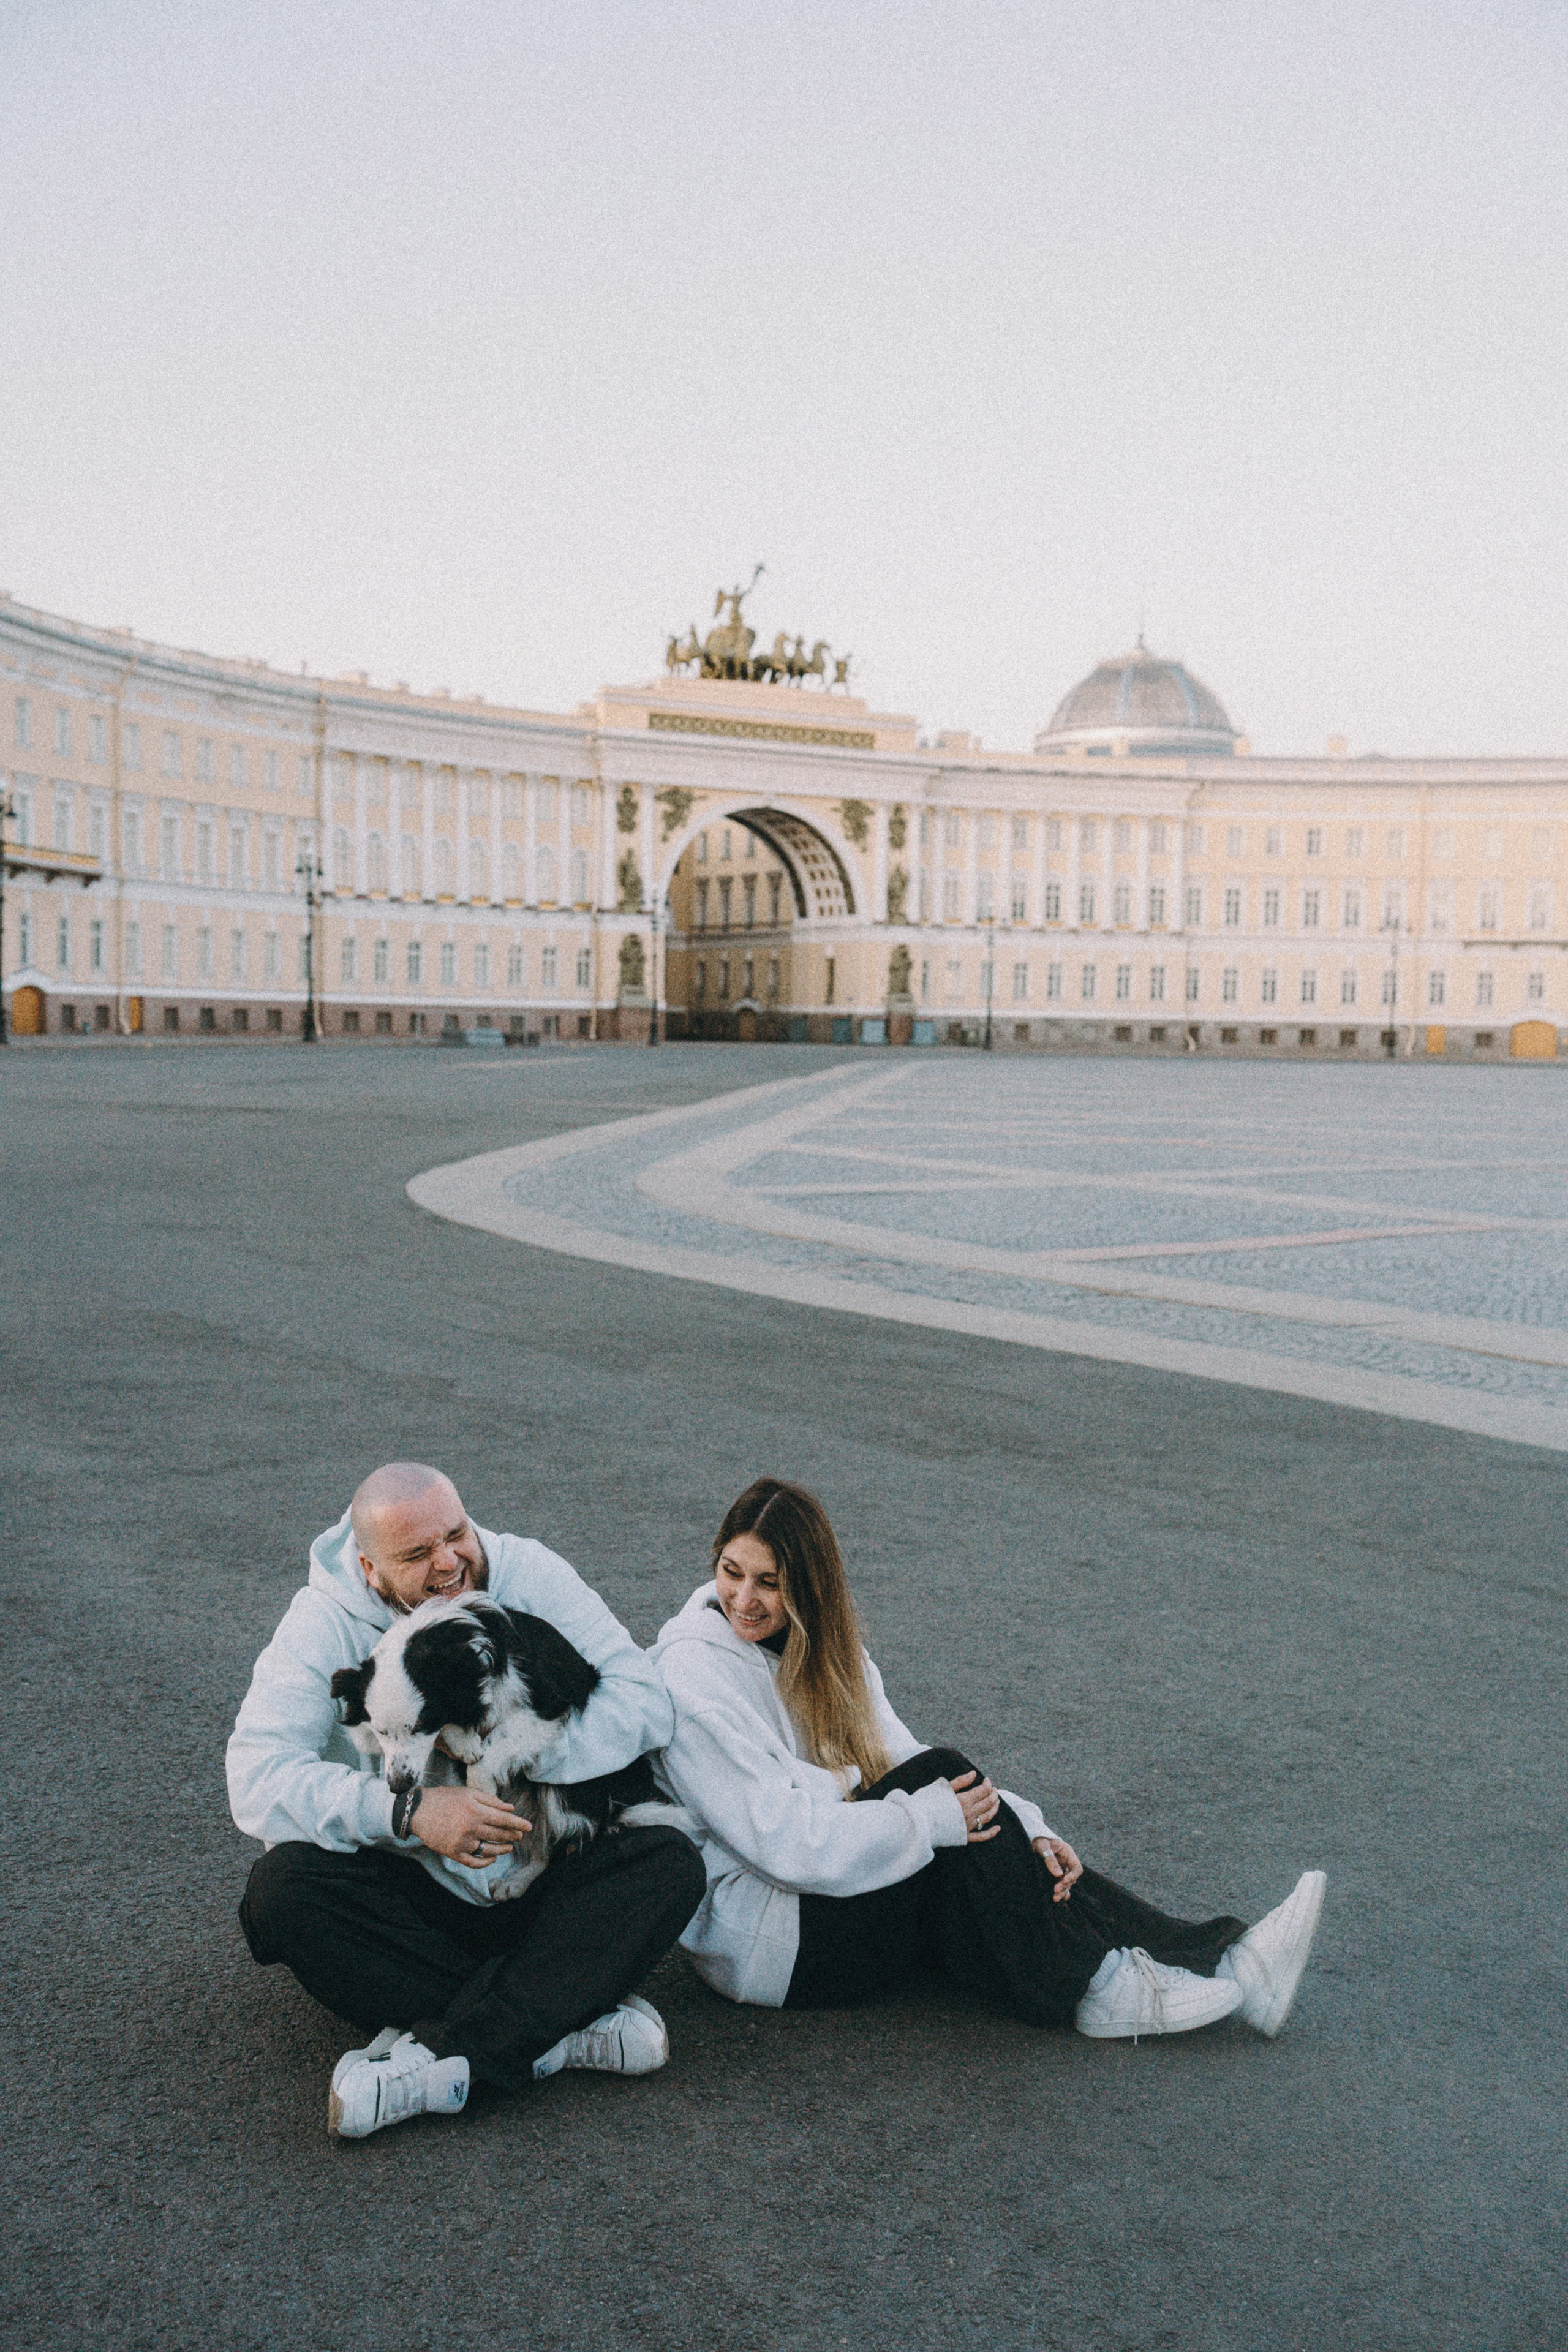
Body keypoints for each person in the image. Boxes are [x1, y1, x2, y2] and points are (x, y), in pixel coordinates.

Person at [650, 1478, 1325, 2042]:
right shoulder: (693, 1677)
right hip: (773, 1942)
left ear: (810, 1587)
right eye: (731, 1572)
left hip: (839, 1888)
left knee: (964, 1807)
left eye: (770, 1583)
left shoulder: (829, 1654)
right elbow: (783, 1844)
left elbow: (900, 1757)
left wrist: (1032, 1827)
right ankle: (1099, 1988)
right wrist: (925, 1821)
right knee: (945, 1797)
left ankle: (1231, 1963)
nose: (744, 1599)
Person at [228, 1463, 706, 2139]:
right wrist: (409, 1815)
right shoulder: (321, 1624)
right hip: (421, 1901)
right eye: (418, 1554)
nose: (450, 1562)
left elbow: (643, 1703)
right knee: (280, 1894)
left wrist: (506, 1753)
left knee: (668, 1862)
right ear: (369, 1570)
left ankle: (441, 2056)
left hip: (542, 1877)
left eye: (457, 1534)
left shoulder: (526, 1571)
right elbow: (256, 1775)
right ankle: (558, 2024)